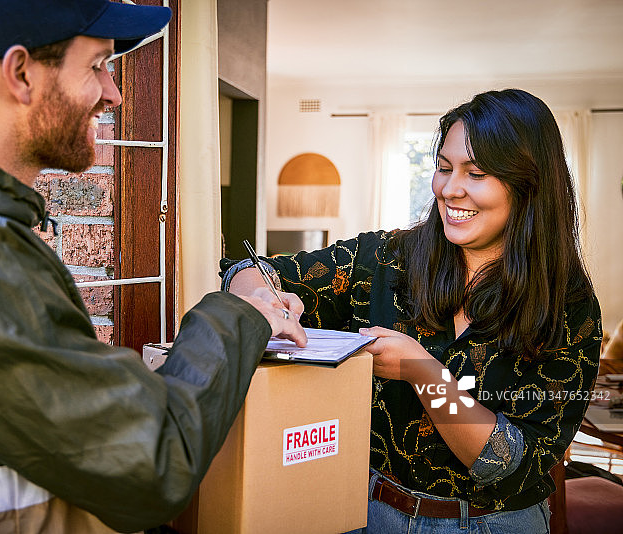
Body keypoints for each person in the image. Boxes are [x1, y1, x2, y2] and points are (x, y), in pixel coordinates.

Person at [0, 1, 306, 533]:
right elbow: (151, 463)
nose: (114, 92)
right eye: (97, 64)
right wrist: (237, 313)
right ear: (21, 73)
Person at [222, 88, 602, 533]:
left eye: (475, 173)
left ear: (529, 185)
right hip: (368, 512)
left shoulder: (568, 306)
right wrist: (264, 298)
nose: (449, 188)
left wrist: (423, 372)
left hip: (494, 524)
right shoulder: (384, 258)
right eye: (444, 168)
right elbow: (252, 268)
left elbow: (510, 464)